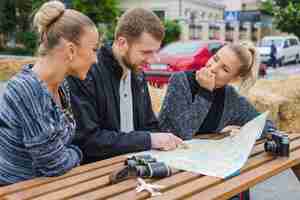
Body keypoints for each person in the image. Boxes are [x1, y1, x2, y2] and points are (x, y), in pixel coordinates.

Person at [159, 42, 277, 200]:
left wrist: (245, 132)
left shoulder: (230, 98)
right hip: (171, 169)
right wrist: (205, 92)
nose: (213, 68)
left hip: (207, 169)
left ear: (234, 78)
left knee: (239, 183)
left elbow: (267, 126)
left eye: (225, 69)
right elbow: (182, 133)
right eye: (215, 59)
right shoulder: (180, 81)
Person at [0, 1, 99, 185]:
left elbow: (61, 153)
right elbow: (54, 164)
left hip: (50, 189)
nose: (95, 59)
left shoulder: (62, 86)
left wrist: (67, 153)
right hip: (16, 192)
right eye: (94, 49)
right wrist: (78, 153)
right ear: (70, 50)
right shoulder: (26, 88)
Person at [67, 8, 183, 164]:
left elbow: (150, 126)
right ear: (122, 43)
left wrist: (162, 139)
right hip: (97, 172)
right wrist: (149, 140)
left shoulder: (138, 74)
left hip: (136, 166)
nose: (152, 60)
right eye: (146, 52)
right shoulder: (85, 72)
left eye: (155, 52)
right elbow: (88, 141)